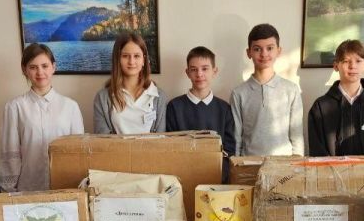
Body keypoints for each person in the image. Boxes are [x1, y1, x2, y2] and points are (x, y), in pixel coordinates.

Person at [0, 43, 83, 192]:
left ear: (53, 67)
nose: (40, 72)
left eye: (45, 66)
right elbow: (10, 152)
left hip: (64, 187)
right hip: (28, 187)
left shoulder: (70, 106)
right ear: (24, 70)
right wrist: (9, 191)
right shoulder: (14, 107)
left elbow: (77, 152)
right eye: (33, 67)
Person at [307, 39, 364, 155]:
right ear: (336, 65)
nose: (353, 66)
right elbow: (317, 150)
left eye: (358, 61)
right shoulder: (320, 107)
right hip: (330, 167)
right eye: (346, 61)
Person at [231, 23, 304, 156]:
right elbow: (236, 137)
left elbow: (297, 136)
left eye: (269, 48)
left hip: (284, 164)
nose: (264, 54)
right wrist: (235, 164)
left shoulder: (291, 90)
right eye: (257, 49)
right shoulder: (238, 93)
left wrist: (297, 163)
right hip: (249, 163)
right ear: (249, 53)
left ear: (278, 51)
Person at [166, 45, 234, 180]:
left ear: (214, 71)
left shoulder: (224, 109)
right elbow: (170, 148)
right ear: (187, 72)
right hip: (182, 178)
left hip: (217, 178)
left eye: (205, 68)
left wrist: (219, 177)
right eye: (194, 69)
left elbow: (230, 150)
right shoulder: (174, 107)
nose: (199, 74)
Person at [93, 32, 167, 134]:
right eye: (125, 56)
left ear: (144, 60)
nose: (131, 62)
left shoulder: (159, 97)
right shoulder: (102, 98)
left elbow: (161, 138)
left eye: (136, 56)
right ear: (117, 60)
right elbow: (102, 139)